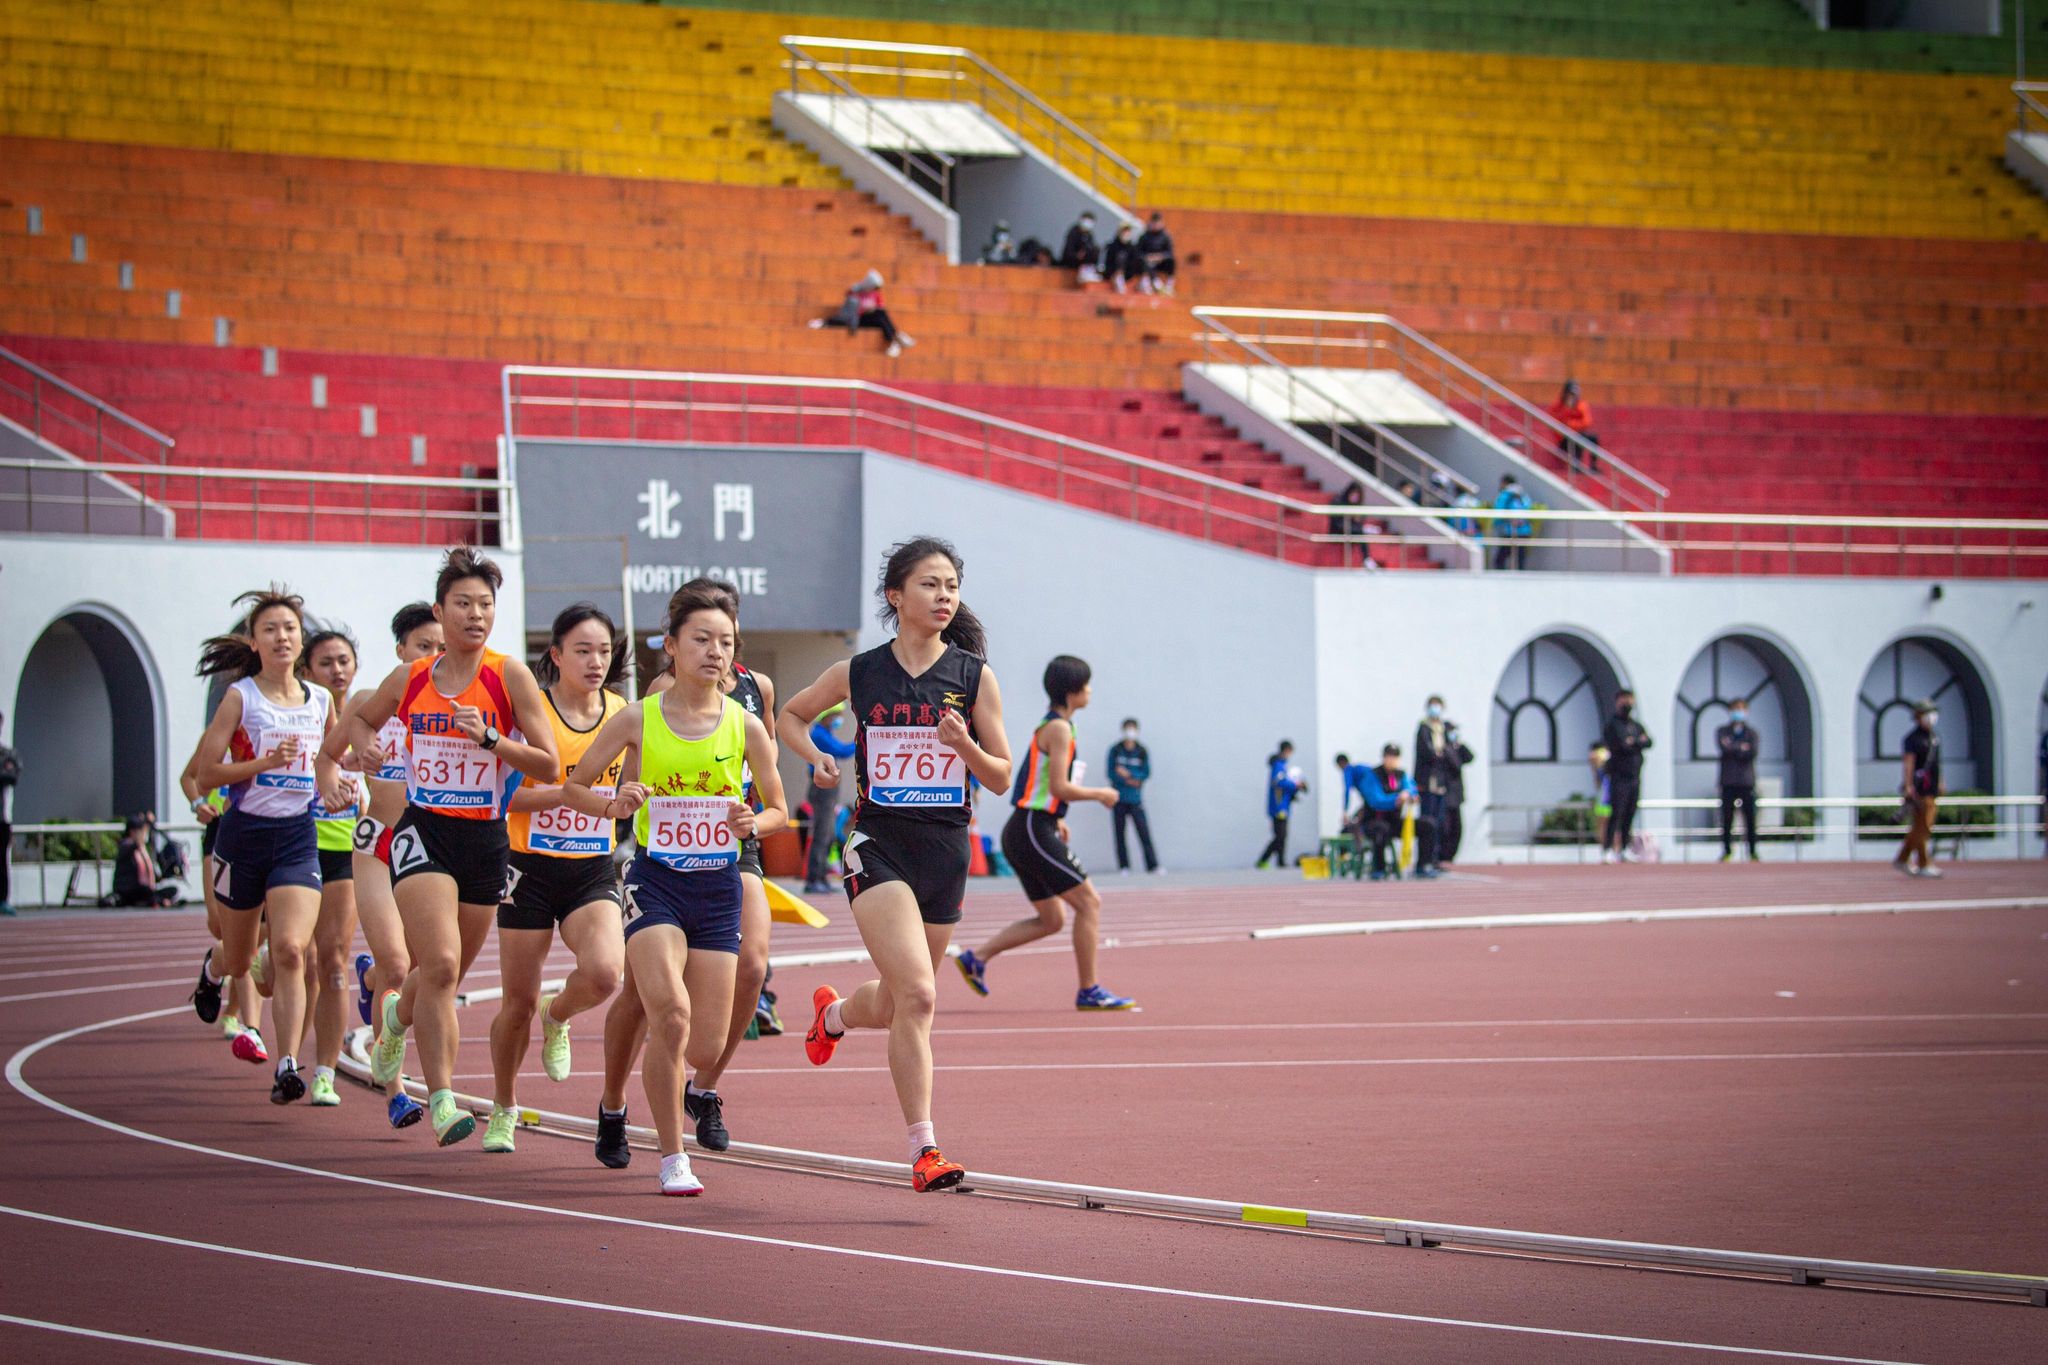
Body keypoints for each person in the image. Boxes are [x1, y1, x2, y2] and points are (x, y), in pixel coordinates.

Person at [778, 536, 1013, 1193]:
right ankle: (925, 1149)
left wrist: (963, 743)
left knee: (898, 997)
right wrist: (816, 757)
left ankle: (833, 1016)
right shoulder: (860, 673)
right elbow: (790, 715)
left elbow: (1000, 778)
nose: (944, 596)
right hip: (876, 842)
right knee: (920, 993)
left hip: (945, 849)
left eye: (952, 587)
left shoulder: (973, 677)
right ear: (895, 595)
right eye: (930, 584)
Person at [325, 548, 559, 1147]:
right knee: (444, 963)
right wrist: (367, 747)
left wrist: (490, 739)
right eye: (464, 604)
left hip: (484, 838)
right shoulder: (411, 679)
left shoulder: (509, 676)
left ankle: (395, 1023)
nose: (476, 615)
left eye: (485, 604)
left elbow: (549, 763)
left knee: (437, 975)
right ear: (441, 610)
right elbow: (359, 722)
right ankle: (444, 1100)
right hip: (422, 830)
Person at [563, 583, 788, 1195]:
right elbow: (575, 788)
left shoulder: (746, 724)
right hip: (655, 882)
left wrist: (753, 820)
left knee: (706, 1042)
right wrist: (614, 803)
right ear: (672, 646)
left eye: (726, 642)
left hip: (718, 887)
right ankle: (671, 1156)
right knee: (671, 1013)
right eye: (702, 640)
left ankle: (666, 1097)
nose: (715, 652)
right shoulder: (639, 717)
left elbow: (779, 810)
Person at [481, 604, 630, 1155]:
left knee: (605, 973)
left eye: (605, 651)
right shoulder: (532, 713)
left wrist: (627, 801)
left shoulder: (624, 714)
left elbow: (635, 789)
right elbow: (508, 796)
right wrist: (580, 796)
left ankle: (559, 1013)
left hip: (592, 866)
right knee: (515, 1002)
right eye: (583, 651)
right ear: (557, 654)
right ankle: (503, 1107)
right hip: (527, 867)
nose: (595, 662)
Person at [187, 587, 340, 1104]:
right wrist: (263, 763)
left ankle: (287, 1064)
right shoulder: (241, 698)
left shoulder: (320, 700)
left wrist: (339, 785)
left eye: (290, 629)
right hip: (243, 835)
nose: (282, 637)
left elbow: (330, 762)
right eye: (270, 629)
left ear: (301, 639)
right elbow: (206, 771)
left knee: (294, 950)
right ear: (254, 641)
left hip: (296, 838)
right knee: (239, 958)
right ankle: (212, 972)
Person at [956, 655, 1133, 1010]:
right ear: (1072, 692)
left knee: (1053, 919)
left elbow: (1040, 785)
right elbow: (1059, 788)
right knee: (1089, 903)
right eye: (1086, 685)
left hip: (1030, 828)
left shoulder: (1056, 726)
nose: (1090, 691)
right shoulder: (1059, 729)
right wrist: (1101, 794)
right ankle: (1089, 990)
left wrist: (1057, 817)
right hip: (1031, 829)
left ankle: (978, 958)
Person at [340, 600, 443, 1130]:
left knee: (422, 966)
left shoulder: (451, 706)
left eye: (441, 648)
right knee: (402, 967)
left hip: (429, 850)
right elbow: (328, 754)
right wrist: (335, 778)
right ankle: (397, 1090)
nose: (434, 655)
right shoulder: (371, 701)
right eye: (424, 646)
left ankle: (372, 977)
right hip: (377, 844)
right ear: (401, 650)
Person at [297, 625, 365, 1107]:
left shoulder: (371, 712)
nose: (337, 670)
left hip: (347, 849)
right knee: (291, 957)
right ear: (307, 671)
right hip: (296, 846)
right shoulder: (302, 713)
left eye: (344, 661)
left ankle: (324, 1071)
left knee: (334, 959)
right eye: (326, 663)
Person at [801, 704, 856, 894]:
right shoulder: (820, 735)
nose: (837, 720)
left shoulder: (825, 733)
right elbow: (842, 751)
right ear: (827, 716)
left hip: (827, 790)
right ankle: (813, 878)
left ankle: (822, 877)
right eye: (835, 717)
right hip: (821, 790)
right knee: (822, 834)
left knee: (829, 833)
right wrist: (863, 738)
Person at [1357, 745, 1433, 880]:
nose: (1392, 760)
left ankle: (1423, 865)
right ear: (1384, 757)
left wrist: (1410, 795)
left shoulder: (1401, 775)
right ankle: (1378, 868)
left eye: (1395, 756)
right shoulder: (1372, 775)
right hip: (1374, 821)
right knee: (1380, 829)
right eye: (1389, 756)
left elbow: (1410, 788)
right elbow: (1376, 800)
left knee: (1428, 825)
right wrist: (1397, 798)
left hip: (1394, 821)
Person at [808, 269, 917, 358]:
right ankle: (896, 337)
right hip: (858, 318)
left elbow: (880, 307)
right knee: (880, 314)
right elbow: (851, 308)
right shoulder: (856, 290)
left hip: (873, 318)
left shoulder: (875, 294)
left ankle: (894, 338)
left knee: (880, 314)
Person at [1600, 689, 1652, 864]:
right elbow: (1621, 745)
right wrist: (1637, 742)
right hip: (1618, 776)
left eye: (1630, 700)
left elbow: (1649, 741)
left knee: (1630, 813)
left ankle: (1624, 848)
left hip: (1634, 776)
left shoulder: (1636, 726)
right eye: (1624, 700)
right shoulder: (1613, 725)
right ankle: (1608, 849)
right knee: (1617, 813)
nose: (1628, 704)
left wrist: (1634, 742)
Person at [1895, 699, 1944, 878]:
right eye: (1926, 713)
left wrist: (1940, 782)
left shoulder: (1933, 737)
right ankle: (1924, 863)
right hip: (1919, 790)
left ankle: (1902, 858)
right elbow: (1908, 763)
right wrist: (1908, 786)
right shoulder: (1913, 739)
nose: (1931, 716)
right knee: (1923, 827)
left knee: (1920, 827)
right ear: (1918, 716)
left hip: (1931, 788)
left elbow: (1936, 765)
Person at [1107, 717, 1160, 874]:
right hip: (1119, 799)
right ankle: (1124, 866)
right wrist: (1125, 779)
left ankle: (1153, 865)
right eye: (1127, 729)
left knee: (1144, 833)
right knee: (1120, 835)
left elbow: (1145, 773)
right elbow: (1111, 772)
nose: (1130, 733)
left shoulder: (1142, 751)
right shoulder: (1115, 750)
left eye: (1133, 729)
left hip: (1136, 799)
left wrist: (1129, 775)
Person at [1412, 696, 1456, 877]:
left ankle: (1435, 859)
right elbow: (1428, 753)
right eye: (1432, 706)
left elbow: (1452, 753)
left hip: (1441, 785)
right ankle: (1424, 861)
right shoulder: (1423, 728)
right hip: (1427, 785)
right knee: (1427, 824)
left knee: (1439, 824)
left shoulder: (1444, 729)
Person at [1716, 701, 1761, 863]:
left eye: (1741, 710)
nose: (1738, 713)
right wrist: (1741, 748)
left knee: (1750, 818)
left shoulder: (1752, 733)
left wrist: (1734, 748)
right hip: (1728, 782)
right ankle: (1727, 851)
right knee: (1727, 818)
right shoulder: (1722, 731)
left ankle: (1753, 851)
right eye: (1735, 709)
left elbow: (1753, 752)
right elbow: (1725, 748)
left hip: (1746, 782)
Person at [112, 813, 180, 907]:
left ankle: (158, 901)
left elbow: (151, 876)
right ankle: (158, 901)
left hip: (143, 890)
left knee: (172, 890)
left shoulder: (143, 850)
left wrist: (166, 874)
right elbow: (135, 845)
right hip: (129, 890)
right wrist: (146, 824)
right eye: (141, 831)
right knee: (146, 892)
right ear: (132, 832)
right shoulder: (126, 846)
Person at [1255, 741, 1305, 869]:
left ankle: (1279, 860)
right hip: (1279, 807)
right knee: (1280, 835)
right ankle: (1267, 860)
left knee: (1281, 835)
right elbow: (1278, 783)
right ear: (1286, 750)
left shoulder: (1282, 765)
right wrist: (1295, 785)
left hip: (1283, 805)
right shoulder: (1279, 765)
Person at [1546, 379, 1601, 475]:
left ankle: (1593, 465)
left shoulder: (1581, 405)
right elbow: (1556, 422)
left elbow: (1587, 422)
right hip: (1563, 439)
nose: (1573, 396)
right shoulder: (1558, 406)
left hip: (1577, 434)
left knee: (1592, 438)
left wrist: (1572, 424)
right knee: (1576, 438)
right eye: (1570, 393)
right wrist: (1567, 409)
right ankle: (1575, 465)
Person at [1439, 721, 1474, 863]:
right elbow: (1457, 765)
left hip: (1456, 797)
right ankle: (1443, 857)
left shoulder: (1456, 747)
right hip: (1447, 797)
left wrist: (1459, 744)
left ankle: (1449, 857)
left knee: (1457, 829)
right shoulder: (1444, 749)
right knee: (1447, 829)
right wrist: (1451, 747)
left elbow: (1470, 757)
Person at [1491, 474, 1533, 571]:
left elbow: (1499, 512)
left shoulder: (1505, 495)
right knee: (1520, 559)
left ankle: (1500, 583)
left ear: (1504, 483)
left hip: (1509, 531)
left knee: (1499, 561)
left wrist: (1495, 524)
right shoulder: (1523, 495)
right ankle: (1521, 581)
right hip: (1524, 531)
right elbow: (1529, 509)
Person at [1134, 212, 1176, 295]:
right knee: (1144, 262)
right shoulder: (1144, 236)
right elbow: (1138, 252)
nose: (1156, 225)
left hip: (1161, 262)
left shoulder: (1166, 236)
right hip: (1147, 261)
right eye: (1154, 222)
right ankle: (1155, 284)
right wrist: (1148, 257)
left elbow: (1170, 252)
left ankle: (1169, 285)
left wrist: (1161, 256)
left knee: (1171, 261)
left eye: (1158, 222)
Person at [0, 711, 15, 915]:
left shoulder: (7, 754)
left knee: (1, 862)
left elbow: (12, 775)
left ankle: (2, 900)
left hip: (1, 819)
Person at [1061, 212, 1102, 283]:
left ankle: (1088, 270)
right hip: (1071, 261)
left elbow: (1090, 247)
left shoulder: (1089, 235)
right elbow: (1067, 250)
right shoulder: (1073, 232)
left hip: (1084, 261)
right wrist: (1076, 255)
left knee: (1095, 250)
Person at [1103, 222, 1140, 295]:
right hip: (1113, 273)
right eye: (1124, 231)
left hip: (1127, 274)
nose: (1126, 234)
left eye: (1128, 231)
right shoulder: (1112, 246)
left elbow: (1133, 263)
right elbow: (1108, 263)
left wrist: (1125, 272)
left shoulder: (1132, 248)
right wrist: (1113, 273)